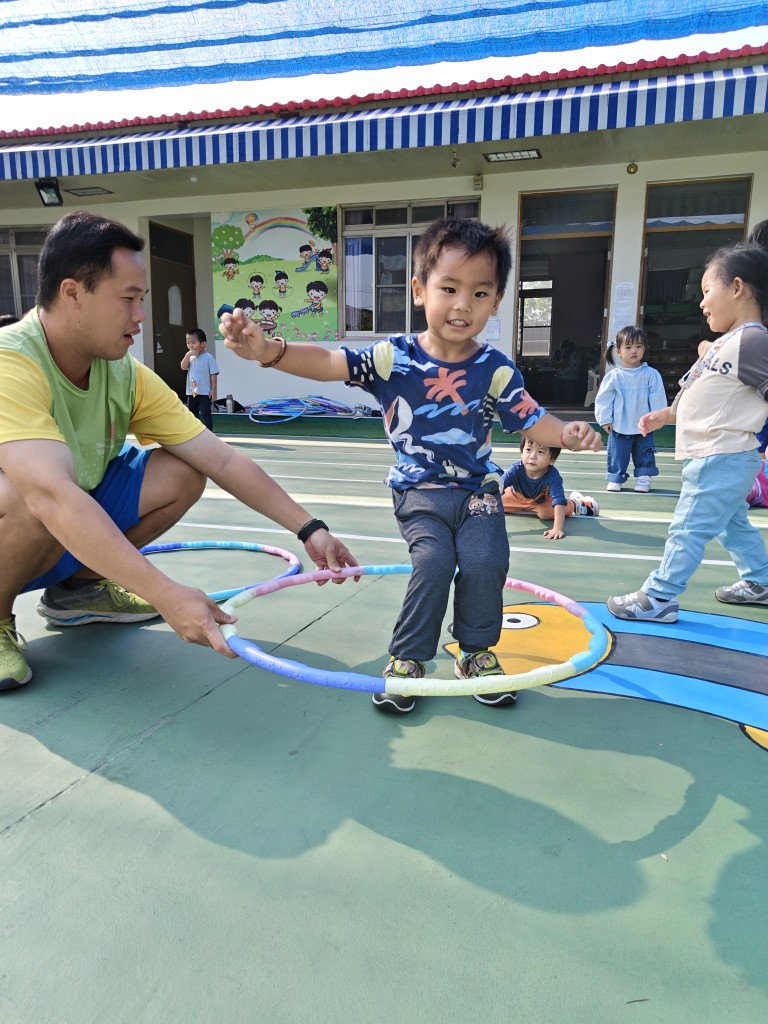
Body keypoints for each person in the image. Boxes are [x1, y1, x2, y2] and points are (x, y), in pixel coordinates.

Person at [221, 217, 602, 714]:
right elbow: (329, 363)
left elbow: (531, 418)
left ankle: (475, 653)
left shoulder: (496, 369)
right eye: (450, 288)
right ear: (420, 290)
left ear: (496, 301)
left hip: (478, 493)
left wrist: (567, 434)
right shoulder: (392, 358)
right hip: (419, 492)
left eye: (480, 293)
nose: (463, 304)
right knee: (435, 561)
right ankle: (407, 659)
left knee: (487, 561)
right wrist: (268, 352)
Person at [0, 211, 357, 691]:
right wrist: (165, 593)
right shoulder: (11, 361)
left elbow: (219, 458)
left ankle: (79, 591)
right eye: (128, 299)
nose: (140, 316)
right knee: (27, 494)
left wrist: (310, 528)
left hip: (58, 524)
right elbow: (51, 495)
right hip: (26, 519)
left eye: (143, 299)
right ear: (72, 293)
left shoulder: (122, 373)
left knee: (183, 472)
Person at [607, 240, 768, 623]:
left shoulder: (753, 340)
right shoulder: (731, 342)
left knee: (687, 527)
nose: (702, 303)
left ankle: (658, 597)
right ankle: (761, 580)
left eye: (707, 291)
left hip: (722, 455)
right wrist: (667, 415)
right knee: (732, 524)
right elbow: (708, 393)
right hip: (720, 454)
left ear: (737, 287)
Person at [594, 326, 667, 493]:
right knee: (618, 453)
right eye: (628, 347)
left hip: (644, 425)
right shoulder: (614, 376)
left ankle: (644, 477)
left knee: (645, 451)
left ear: (644, 348)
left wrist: (657, 418)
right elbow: (604, 399)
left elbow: (657, 397)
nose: (634, 351)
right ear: (618, 351)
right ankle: (616, 477)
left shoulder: (651, 374)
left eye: (638, 346)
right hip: (620, 423)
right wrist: (605, 419)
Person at [501, 437, 599, 540]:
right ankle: (520, 507)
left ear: (552, 459)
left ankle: (576, 503)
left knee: (545, 514)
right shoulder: (515, 470)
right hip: (515, 497)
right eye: (528, 450)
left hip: (541, 501)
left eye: (540, 452)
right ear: (521, 452)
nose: (532, 456)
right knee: (495, 504)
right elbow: (499, 485)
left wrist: (557, 528)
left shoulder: (553, 476)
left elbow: (558, 500)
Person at [181, 327, 219, 430]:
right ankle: (196, 431)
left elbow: (213, 374)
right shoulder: (190, 357)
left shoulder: (209, 358)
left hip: (205, 392)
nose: (190, 345)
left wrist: (213, 390)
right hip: (192, 392)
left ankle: (209, 432)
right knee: (192, 413)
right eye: (188, 343)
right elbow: (183, 367)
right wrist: (187, 355)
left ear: (203, 344)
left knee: (205, 411)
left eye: (193, 343)